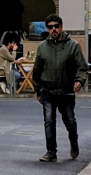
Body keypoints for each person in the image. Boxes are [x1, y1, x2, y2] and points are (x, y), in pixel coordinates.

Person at [30, 21, 88, 161]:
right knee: (49, 121)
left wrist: (79, 81)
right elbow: (37, 70)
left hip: (66, 91)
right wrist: (38, 91)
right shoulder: (42, 47)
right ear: (47, 29)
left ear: (61, 27)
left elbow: (82, 67)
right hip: (47, 90)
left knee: (69, 120)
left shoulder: (72, 45)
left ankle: (74, 142)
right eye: (50, 27)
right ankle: (51, 152)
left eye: (56, 26)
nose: (54, 29)